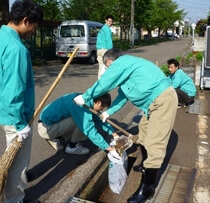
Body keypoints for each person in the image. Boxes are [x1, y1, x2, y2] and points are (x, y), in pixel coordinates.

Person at [73, 49, 178, 203]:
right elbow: (122, 97)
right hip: (152, 105)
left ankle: (147, 188)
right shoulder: (128, 70)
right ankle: (145, 165)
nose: (108, 69)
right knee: (143, 132)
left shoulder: (123, 62)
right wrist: (109, 113)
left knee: (155, 144)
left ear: (110, 60)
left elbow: (105, 83)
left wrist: (85, 96)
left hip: (162, 100)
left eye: (107, 66)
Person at [0, 0, 43, 203]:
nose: (33, 32)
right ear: (25, 20)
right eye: (33, 27)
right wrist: (20, 125)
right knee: (18, 163)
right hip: (15, 117)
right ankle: (15, 199)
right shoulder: (16, 49)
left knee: (12, 156)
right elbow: (13, 91)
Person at [38, 92, 120, 157]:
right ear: (98, 103)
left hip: (50, 123)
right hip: (46, 128)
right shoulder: (81, 106)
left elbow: (98, 119)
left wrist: (114, 134)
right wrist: (109, 148)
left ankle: (57, 137)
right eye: (102, 107)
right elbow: (89, 130)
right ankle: (72, 147)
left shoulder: (84, 99)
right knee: (82, 123)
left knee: (83, 119)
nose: (101, 110)